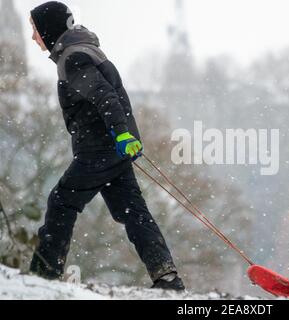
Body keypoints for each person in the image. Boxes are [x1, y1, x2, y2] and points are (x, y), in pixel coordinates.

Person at [28, 1, 185, 291]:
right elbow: (109, 95)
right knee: (132, 212)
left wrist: (121, 135)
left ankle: (44, 274)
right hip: (112, 149)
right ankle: (167, 278)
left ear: (48, 30)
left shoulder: (73, 58)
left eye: (35, 29)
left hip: (99, 149)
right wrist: (125, 136)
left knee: (62, 201)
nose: (33, 37)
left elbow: (105, 97)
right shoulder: (84, 51)